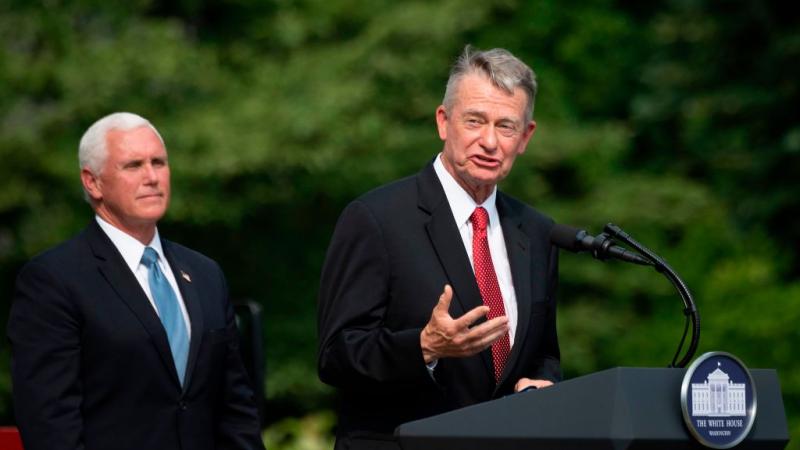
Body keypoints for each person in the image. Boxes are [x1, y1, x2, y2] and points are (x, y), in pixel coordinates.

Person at [317, 46, 561, 449]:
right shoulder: (377, 218)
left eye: (506, 126)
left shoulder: (535, 231)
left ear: (525, 137)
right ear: (443, 122)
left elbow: (543, 354)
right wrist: (424, 347)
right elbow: (336, 356)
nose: (489, 141)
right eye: (474, 121)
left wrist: (541, 385)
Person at [7, 112, 265, 450]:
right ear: (92, 182)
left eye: (159, 162)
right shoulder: (54, 279)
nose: (152, 177)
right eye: (133, 165)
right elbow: (50, 423)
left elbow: (236, 408)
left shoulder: (205, 274)